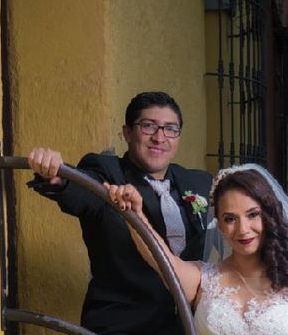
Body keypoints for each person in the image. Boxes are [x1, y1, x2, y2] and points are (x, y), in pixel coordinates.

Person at [28, 91, 212, 335]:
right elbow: (80, 190)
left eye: (170, 128)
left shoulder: (198, 181)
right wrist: (54, 175)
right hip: (123, 325)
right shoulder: (107, 171)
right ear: (127, 133)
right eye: (148, 126)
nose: (160, 137)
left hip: (188, 326)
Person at [106, 163, 288, 335]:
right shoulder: (204, 280)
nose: (243, 229)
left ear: (270, 216)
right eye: (230, 218)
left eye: (253, 215)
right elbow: (159, 258)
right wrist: (135, 215)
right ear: (220, 226)